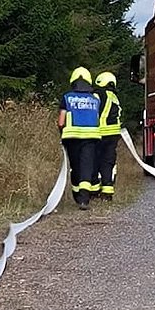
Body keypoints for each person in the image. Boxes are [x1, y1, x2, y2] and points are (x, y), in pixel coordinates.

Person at [58, 67, 101, 209]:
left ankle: (77, 196)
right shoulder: (95, 99)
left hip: (71, 137)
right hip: (91, 137)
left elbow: (61, 121)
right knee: (86, 166)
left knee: (75, 167)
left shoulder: (67, 97)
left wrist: (61, 133)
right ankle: (84, 199)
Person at [93, 71, 121, 201]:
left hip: (100, 133)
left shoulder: (98, 95)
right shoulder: (114, 97)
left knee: (95, 161)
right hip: (113, 135)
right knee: (108, 163)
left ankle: (94, 191)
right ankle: (107, 191)